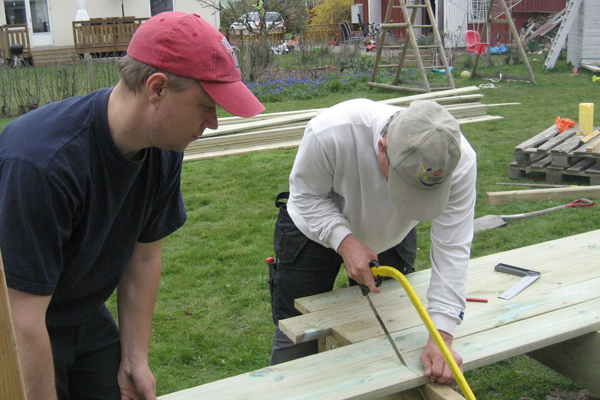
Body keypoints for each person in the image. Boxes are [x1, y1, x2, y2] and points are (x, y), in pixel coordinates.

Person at [0, 12, 264, 400]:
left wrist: (135, 358)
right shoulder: (44, 164)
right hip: (14, 321)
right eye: (206, 105)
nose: (214, 123)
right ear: (157, 88)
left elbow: (144, 254)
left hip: (81, 312)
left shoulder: (163, 148)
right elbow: (21, 320)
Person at [269, 98, 476, 384]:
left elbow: (452, 246)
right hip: (311, 230)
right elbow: (306, 196)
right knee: (297, 331)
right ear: (382, 147)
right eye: (405, 186)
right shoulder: (331, 132)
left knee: (388, 329)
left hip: (391, 236)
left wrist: (442, 337)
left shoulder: (456, 159)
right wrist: (345, 242)